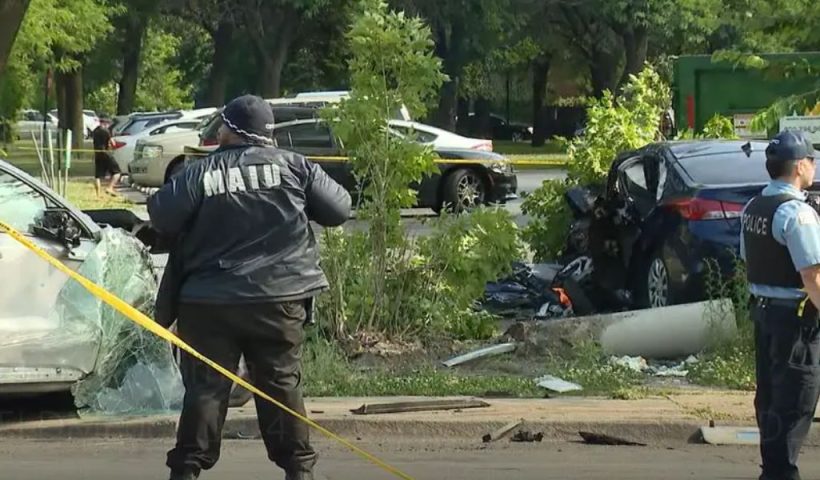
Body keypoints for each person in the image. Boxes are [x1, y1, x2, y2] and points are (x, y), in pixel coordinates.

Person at [147, 94, 352, 480]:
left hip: (208, 303)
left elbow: (161, 215)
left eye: (223, 125)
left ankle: (187, 470)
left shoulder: (199, 172)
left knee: (206, 388)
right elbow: (339, 209)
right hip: (280, 300)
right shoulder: (295, 167)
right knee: (281, 384)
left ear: (231, 130)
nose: (219, 131)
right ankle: (299, 470)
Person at [740, 129, 820, 480]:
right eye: (813, 161)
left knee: (770, 397)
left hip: (765, 313)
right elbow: (813, 277)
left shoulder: (753, 206)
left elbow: (749, 260)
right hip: (796, 322)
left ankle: (772, 469)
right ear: (801, 166)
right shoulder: (798, 215)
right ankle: (780, 473)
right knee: (795, 401)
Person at [91, 124, 121, 197]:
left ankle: (98, 194)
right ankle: (110, 188)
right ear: (105, 123)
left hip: (97, 154)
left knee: (97, 176)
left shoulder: (95, 131)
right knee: (117, 172)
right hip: (106, 153)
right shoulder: (106, 131)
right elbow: (112, 143)